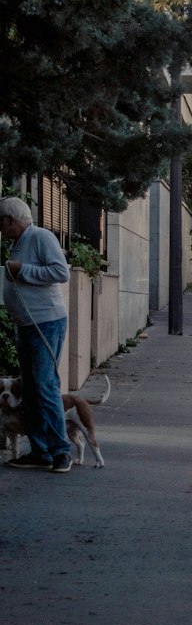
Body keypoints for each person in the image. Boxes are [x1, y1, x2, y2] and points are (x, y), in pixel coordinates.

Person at [0, 197, 74, 473]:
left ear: (11, 220)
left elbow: (60, 272)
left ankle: (60, 451)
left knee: (45, 385)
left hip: (46, 321)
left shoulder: (41, 237)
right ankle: (40, 451)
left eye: (1, 222)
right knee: (31, 388)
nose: (0, 228)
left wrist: (22, 270)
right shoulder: (17, 243)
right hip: (27, 323)